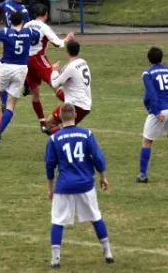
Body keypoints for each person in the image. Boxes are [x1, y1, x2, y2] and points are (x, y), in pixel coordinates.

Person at [45, 103, 114, 269]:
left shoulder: (54, 139)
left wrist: (50, 188)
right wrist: (103, 176)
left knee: (58, 221)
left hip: (64, 186)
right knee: (96, 217)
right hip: (85, 184)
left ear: (60, 117)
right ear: (75, 115)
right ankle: (108, 252)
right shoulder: (87, 134)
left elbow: (49, 165)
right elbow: (97, 157)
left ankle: (56, 258)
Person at [0, 11, 40, 148]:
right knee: (11, 104)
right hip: (21, 69)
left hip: (6, 67)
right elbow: (36, 37)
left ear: (9, 21)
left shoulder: (5, 31)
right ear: (23, 21)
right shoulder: (29, 31)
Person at [135, 46, 168, 184]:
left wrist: (156, 111)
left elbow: (151, 93)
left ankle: (142, 174)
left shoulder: (147, 74)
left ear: (149, 59)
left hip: (161, 111)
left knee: (147, 141)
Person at [24, 4, 73, 130]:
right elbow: (58, 44)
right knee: (56, 85)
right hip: (39, 59)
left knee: (35, 94)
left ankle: (42, 123)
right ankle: (74, 106)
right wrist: (67, 39)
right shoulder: (44, 27)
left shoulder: (26, 25)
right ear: (46, 15)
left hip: (26, 61)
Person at [43, 40, 91, 135]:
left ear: (67, 52)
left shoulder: (70, 68)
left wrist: (54, 70)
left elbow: (54, 83)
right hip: (85, 103)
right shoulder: (83, 62)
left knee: (48, 125)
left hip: (76, 105)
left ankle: (62, 145)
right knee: (67, 130)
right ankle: (65, 145)